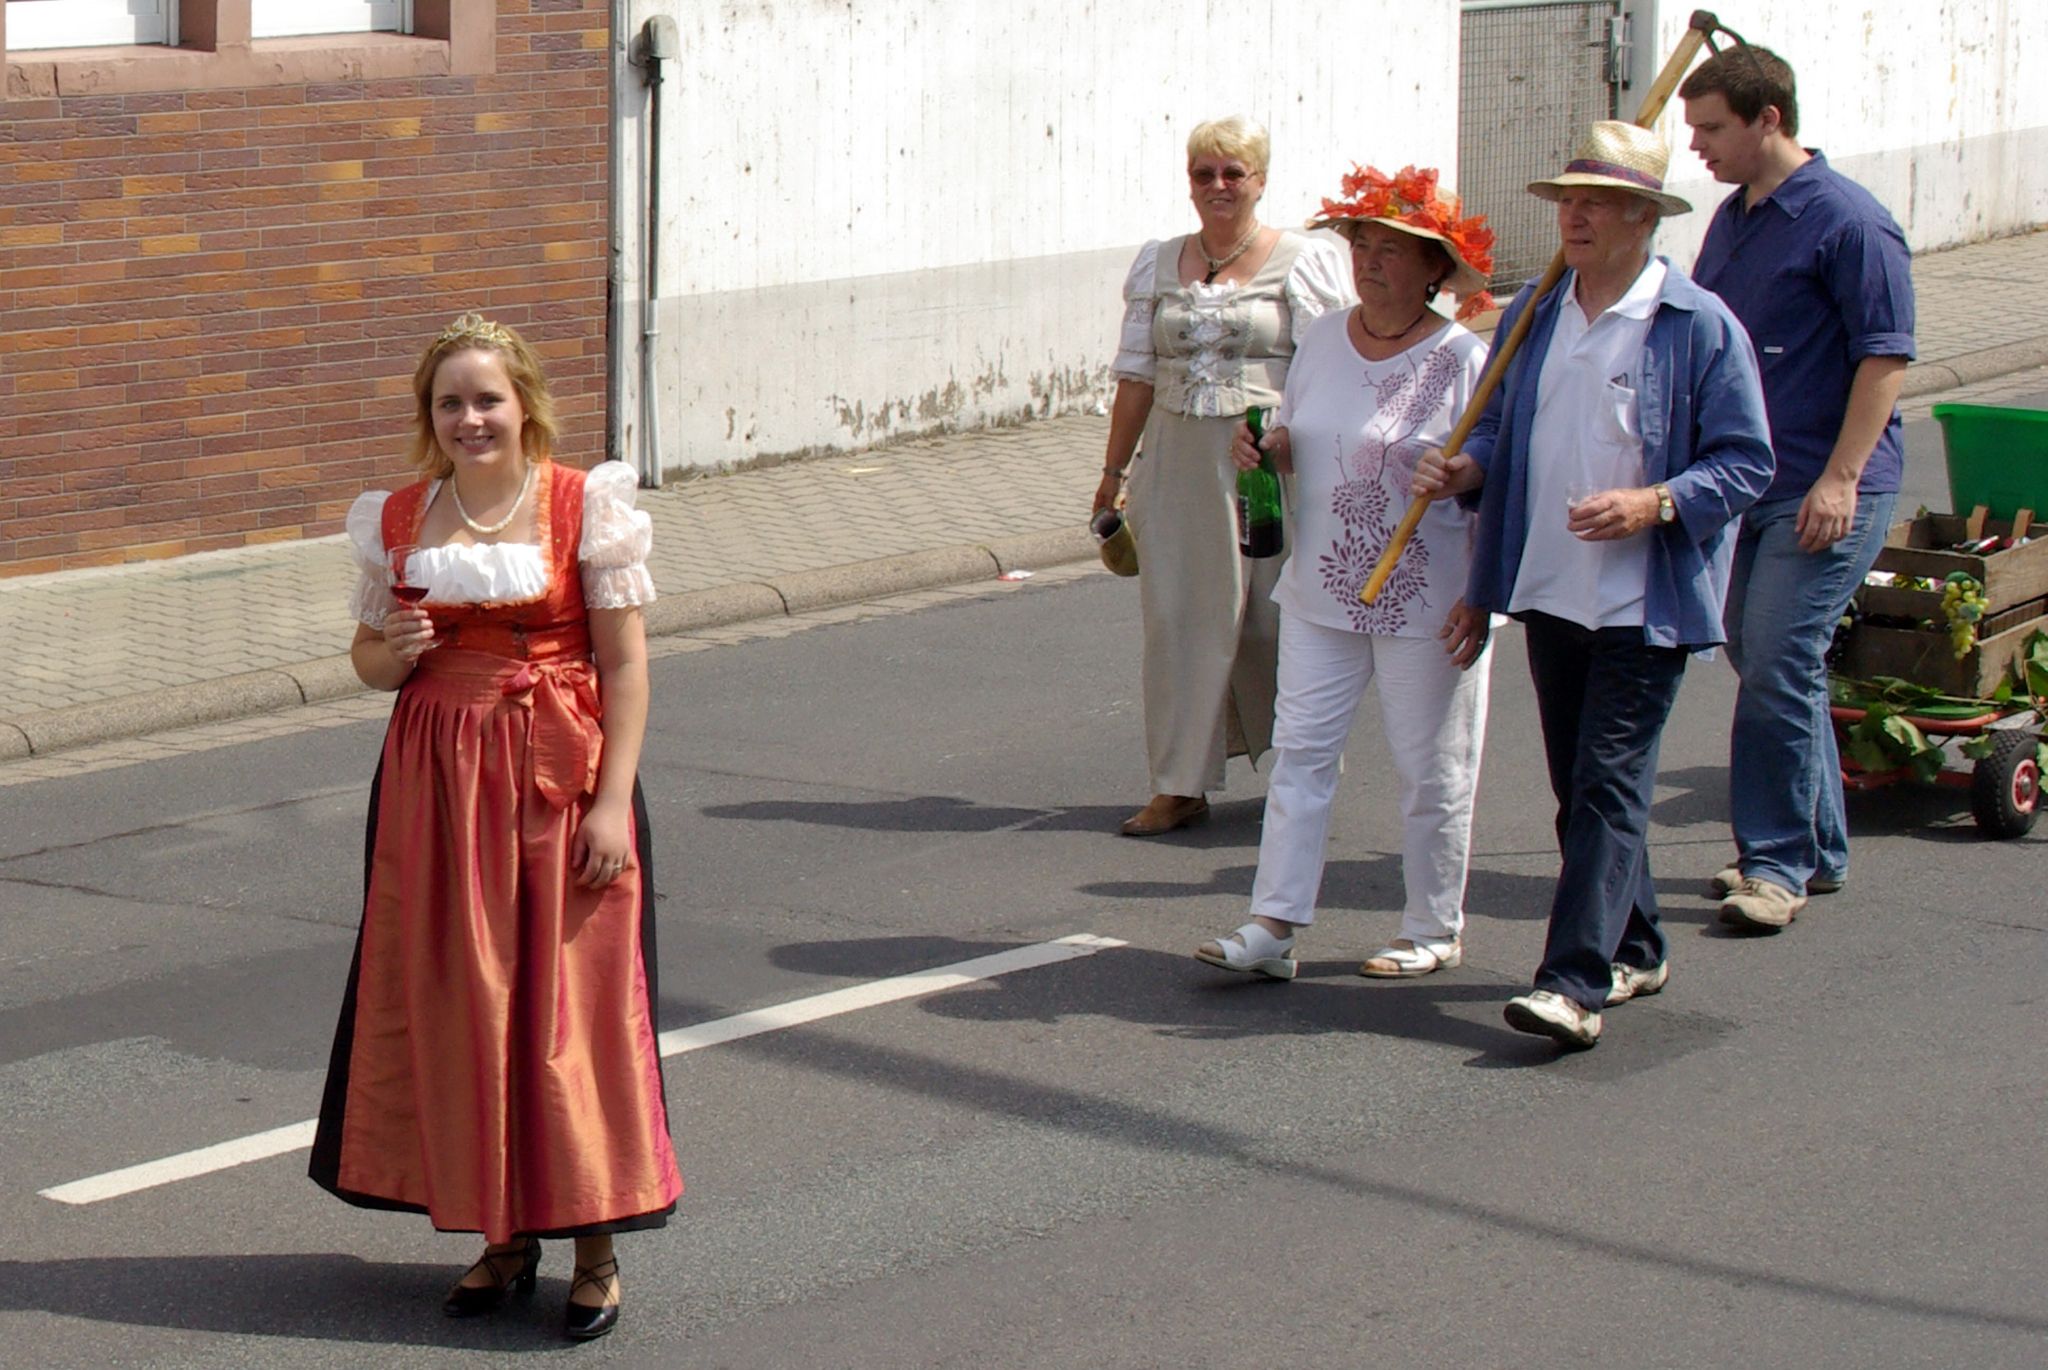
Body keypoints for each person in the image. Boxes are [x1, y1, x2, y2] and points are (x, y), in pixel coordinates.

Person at [310, 313, 680, 1341]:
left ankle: (593, 1249)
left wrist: (612, 801)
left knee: (571, 1009)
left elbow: (627, 664)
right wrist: (395, 640)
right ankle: (500, 1234)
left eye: (487, 398)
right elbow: (371, 667)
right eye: (450, 402)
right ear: (429, 417)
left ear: (523, 406)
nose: (470, 417)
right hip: (436, 785)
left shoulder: (580, 506)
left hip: (559, 777)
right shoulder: (395, 516)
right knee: (466, 1000)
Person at [1412, 122, 1775, 1048]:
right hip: (1548, 588)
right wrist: (1468, 472)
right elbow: (1504, 432)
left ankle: (1572, 984)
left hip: (1641, 605)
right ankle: (1639, 944)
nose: (1572, 216)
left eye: (1594, 202)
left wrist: (1655, 502)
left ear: (1642, 217)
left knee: (1610, 784)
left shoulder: (1697, 327)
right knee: (1581, 791)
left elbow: (1746, 463)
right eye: (1566, 200)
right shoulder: (1538, 310)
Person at [1195, 165, 1497, 981]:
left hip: (1426, 597)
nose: (1370, 260)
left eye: (1393, 249)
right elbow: (1299, 431)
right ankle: (1274, 923)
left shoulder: (1467, 359)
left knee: (1430, 765)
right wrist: (1269, 449)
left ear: (1434, 267)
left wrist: (1466, 478)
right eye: (1363, 243)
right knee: (1300, 754)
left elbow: (1499, 468)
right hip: (1322, 589)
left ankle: (1433, 924)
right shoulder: (1325, 336)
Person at [1681, 46, 1916, 932]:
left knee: (1778, 656)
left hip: (1826, 483)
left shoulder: (1852, 222)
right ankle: (1816, 845)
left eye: (1712, 128)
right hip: (1750, 481)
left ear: (1768, 120)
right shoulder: (1734, 217)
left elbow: (1886, 357)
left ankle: (1772, 864)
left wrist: (1842, 480)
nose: (1698, 146)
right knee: (1760, 650)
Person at [1097, 115, 1352, 836]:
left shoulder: (1300, 261)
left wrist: (1293, 440)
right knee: (1178, 620)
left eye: (1233, 173)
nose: (1218, 186)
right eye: (1204, 173)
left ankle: (1302, 766)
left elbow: (1330, 366)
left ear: (1260, 181)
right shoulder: (1157, 262)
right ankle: (1178, 783)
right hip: (1177, 460)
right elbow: (1136, 376)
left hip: (1266, 459)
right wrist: (1113, 471)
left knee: (1273, 621)